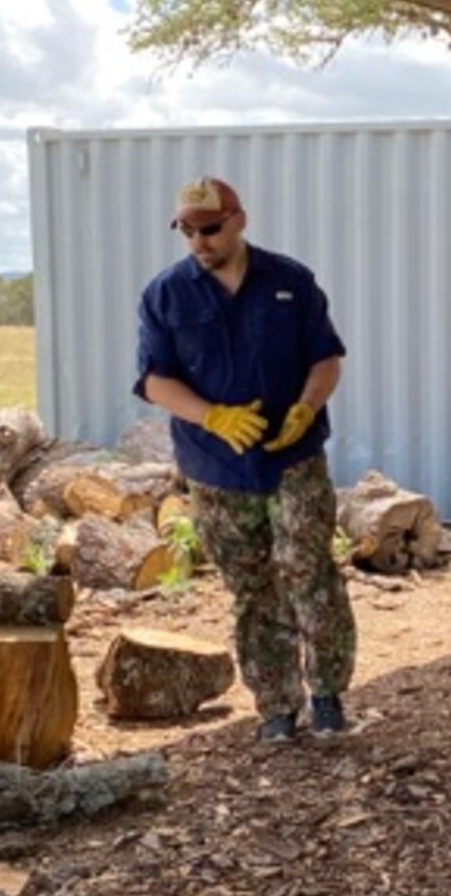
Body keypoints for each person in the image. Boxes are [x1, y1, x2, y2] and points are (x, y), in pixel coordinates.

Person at [135, 177, 356, 743]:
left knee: (310, 571)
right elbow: (155, 381)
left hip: (293, 457)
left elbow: (326, 358)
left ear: (238, 220)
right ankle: (276, 707)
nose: (198, 241)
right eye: (186, 230)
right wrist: (212, 416)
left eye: (209, 229)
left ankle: (328, 695)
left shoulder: (289, 281)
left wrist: (307, 409)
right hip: (217, 467)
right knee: (252, 587)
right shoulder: (166, 294)